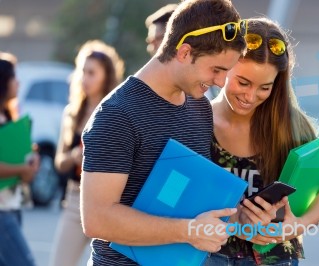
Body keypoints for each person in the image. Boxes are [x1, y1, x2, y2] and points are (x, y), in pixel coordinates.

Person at [79, 0, 273, 265]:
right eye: (216, 69)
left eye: (226, 72)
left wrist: (242, 218)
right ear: (183, 52)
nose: (220, 82)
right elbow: (97, 219)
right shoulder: (117, 114)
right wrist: (189, 231)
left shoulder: (199, 106)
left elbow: (195, 201)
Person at [205, 18, 319, 265]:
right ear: (225, 66)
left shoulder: (290, 125)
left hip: (274, 258)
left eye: (264, 88)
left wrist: (295, 227)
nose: (250, 96)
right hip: (208, 256)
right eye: (243, 82)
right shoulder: (195, 120)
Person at [49, 40, 124, 266]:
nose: (85, 78)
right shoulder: (72, 113)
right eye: (82, 70)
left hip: (108, 200)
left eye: (92, 72)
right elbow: (59, 162)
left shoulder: (116, 112)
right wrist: (73, 157)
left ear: (106, 76)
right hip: (74, 199)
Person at [0, 52, 40, 266]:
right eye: (14, 77)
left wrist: (30, 164)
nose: (18, 82)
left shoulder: (8, 118)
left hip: (12, 206)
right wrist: (21, 169)